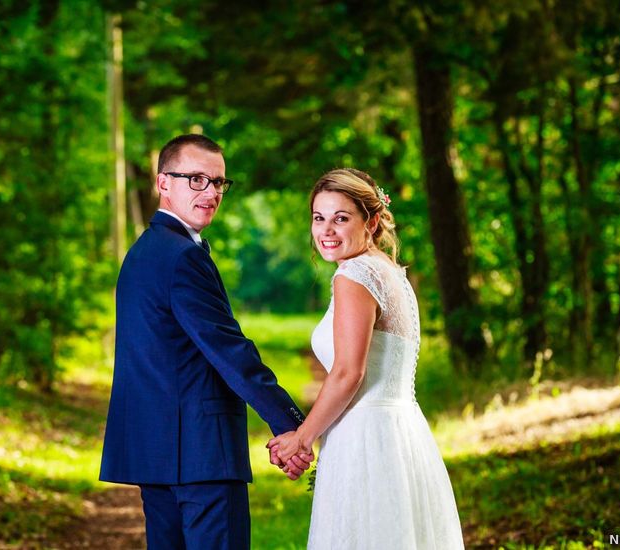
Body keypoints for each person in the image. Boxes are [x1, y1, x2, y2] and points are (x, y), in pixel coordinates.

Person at [100, 134, 314, 550]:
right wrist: (292, 425)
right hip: (202, 454)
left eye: (218, 182)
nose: (211, 192)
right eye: (196, 179)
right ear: (163, 182)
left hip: (158, 454)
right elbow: (230, 352)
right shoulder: (183, 257)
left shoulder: (144, 251)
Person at [268, 168, 465, 549]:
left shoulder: (355, 275)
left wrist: (302, 439)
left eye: (341, 218)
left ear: (371, 221)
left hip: (366, 438)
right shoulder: (391, 273)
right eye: (318, 218)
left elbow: (347, 372)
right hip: (401, 431)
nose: (327, 230)